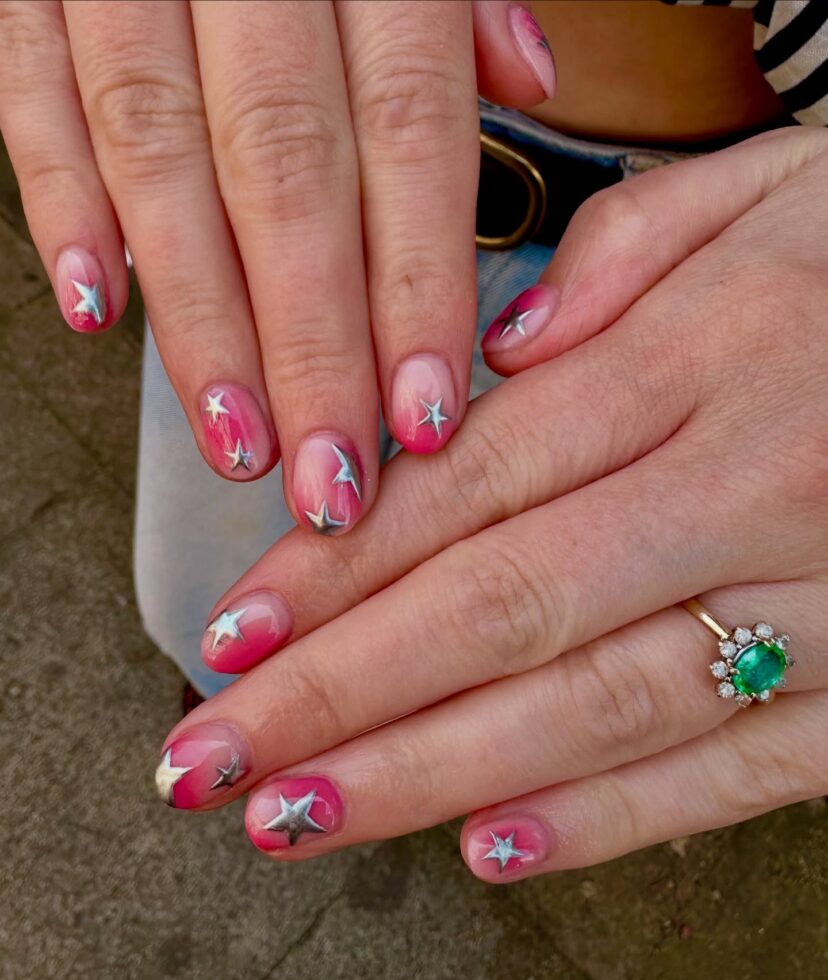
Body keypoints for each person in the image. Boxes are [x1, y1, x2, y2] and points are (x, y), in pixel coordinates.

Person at [1, 0, 826, 883]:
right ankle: (236, 686)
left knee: (550, 654)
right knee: (224, 546)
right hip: (279, 158)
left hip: (724, 275)